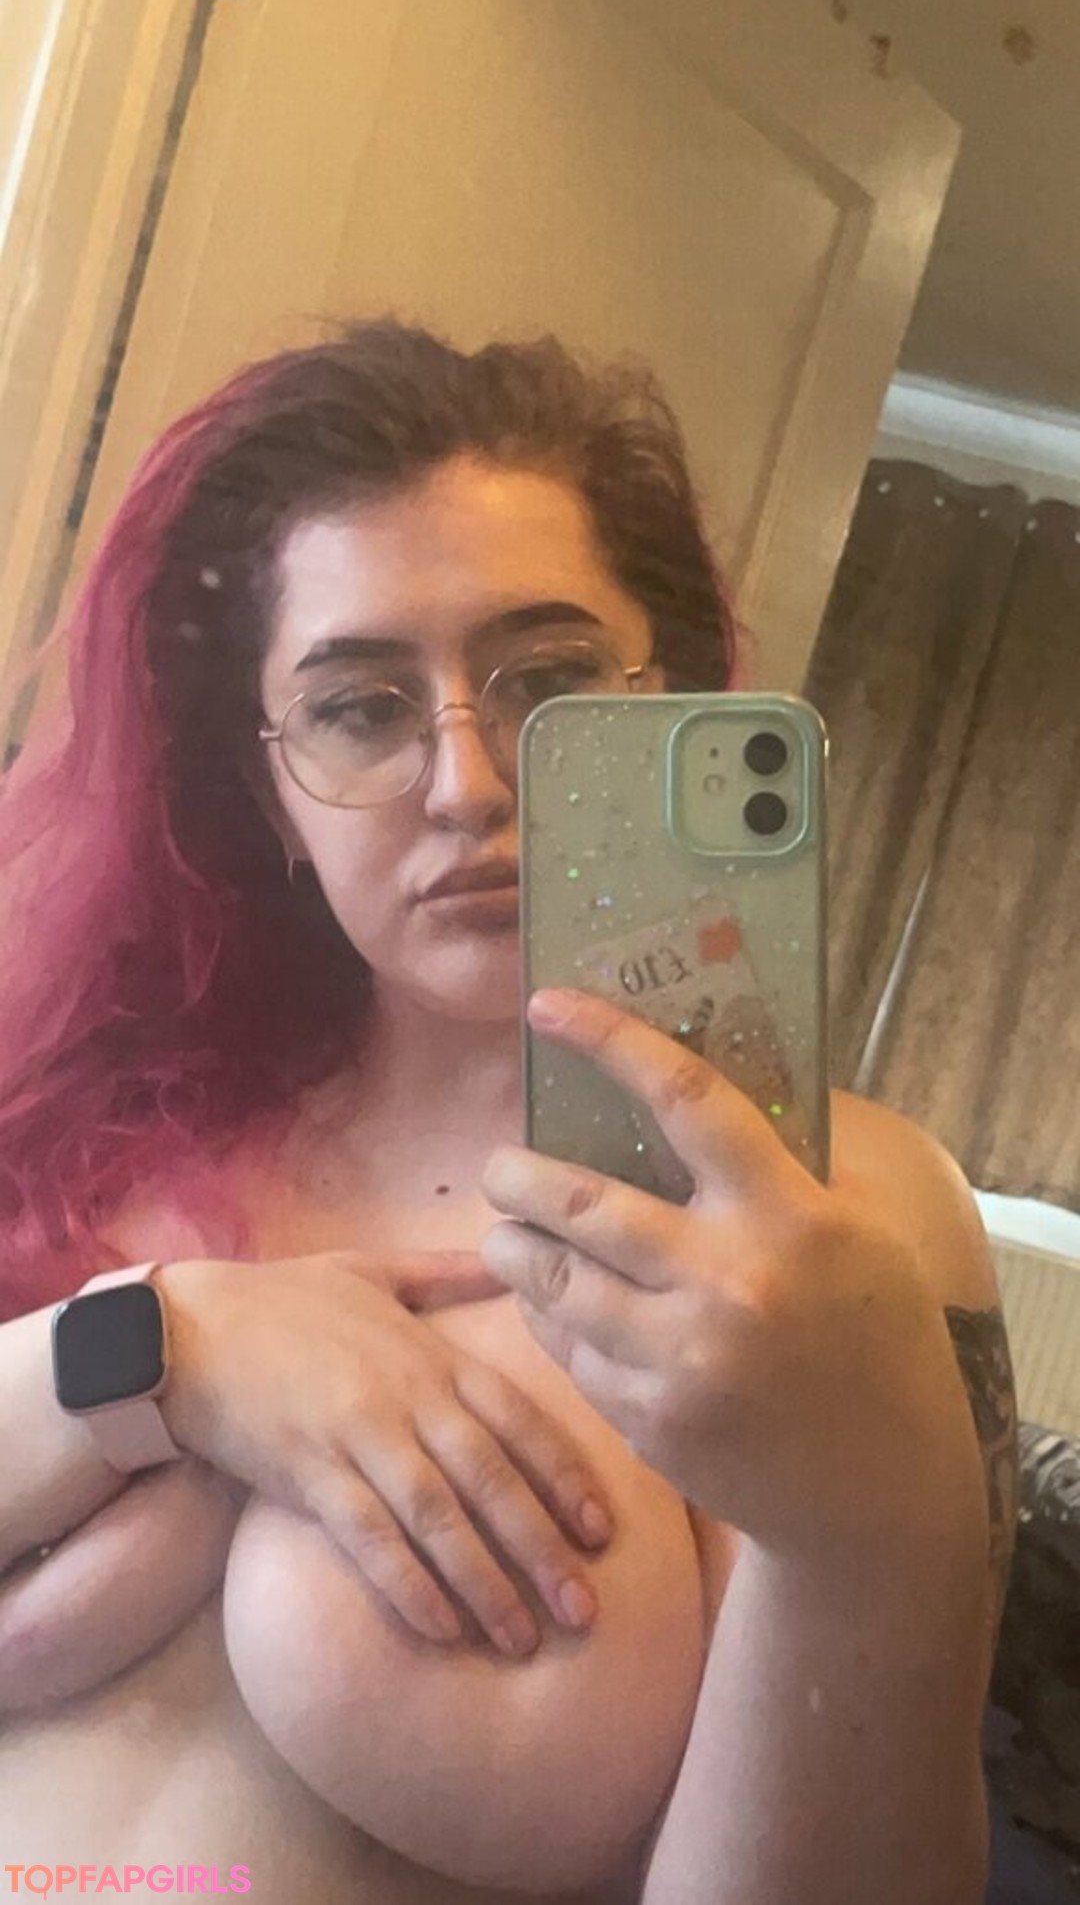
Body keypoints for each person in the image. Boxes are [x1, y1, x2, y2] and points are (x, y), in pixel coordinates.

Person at [0, 318, 1017, 1904]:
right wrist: (162, 1344)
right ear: (270, 792)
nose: (467, 783)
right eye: (359, 707)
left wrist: (871, 1544)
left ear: (672, 709)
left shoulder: (827, 1210)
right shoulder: (103, 1129)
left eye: (546, 684)